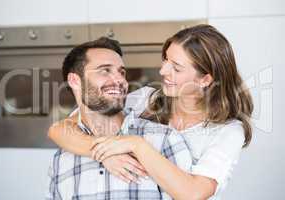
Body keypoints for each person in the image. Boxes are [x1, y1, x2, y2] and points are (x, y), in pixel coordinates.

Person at [48, 24, 254, 199]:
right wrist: (103, 152)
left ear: (205, 79)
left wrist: (136, 145)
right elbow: (60, 129)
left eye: (177, 67)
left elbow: (193, 193)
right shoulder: (147, 99)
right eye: (165, 60)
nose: (163, 71)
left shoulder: (228, 131)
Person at [46, 37, 192, 200]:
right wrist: (103, 152)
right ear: (74, 80)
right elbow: (57, 128)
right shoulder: (63, 157)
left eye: (121, 72)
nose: (120, 80)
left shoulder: (163, 140)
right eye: (105, 70)